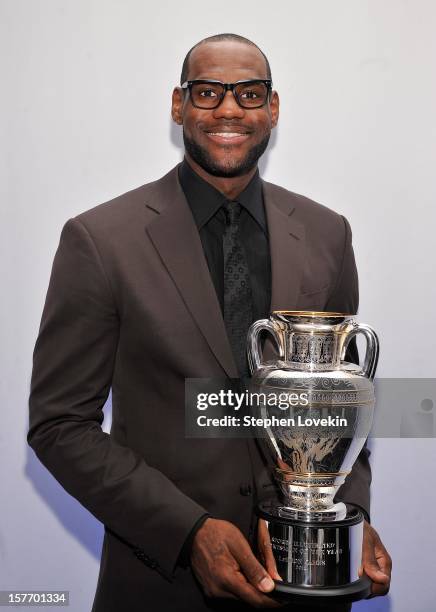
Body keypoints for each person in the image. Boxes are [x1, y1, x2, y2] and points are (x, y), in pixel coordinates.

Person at [28, 33, 391, 611]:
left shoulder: (327, 234)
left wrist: (347, 519)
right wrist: (188, 531)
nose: (229, 109)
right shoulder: (100, 241)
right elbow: (59, 425)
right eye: (207, 92)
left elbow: (341, 408)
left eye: (249, 94)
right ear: (178, 106)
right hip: (159, 585)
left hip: (307, 584)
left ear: (273, 109)